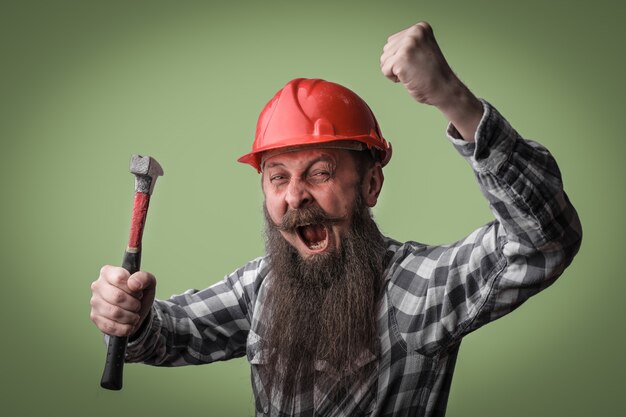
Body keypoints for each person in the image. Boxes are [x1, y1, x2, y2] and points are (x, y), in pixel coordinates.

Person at [89, 21, 582, 417]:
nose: (295, 196)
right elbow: (172, 334)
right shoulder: (261, 286)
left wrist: (452, 97)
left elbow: (543, 241)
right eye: (277, 178)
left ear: (370, 186)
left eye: (319, 172)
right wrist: (131, 318)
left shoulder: (418, 290)